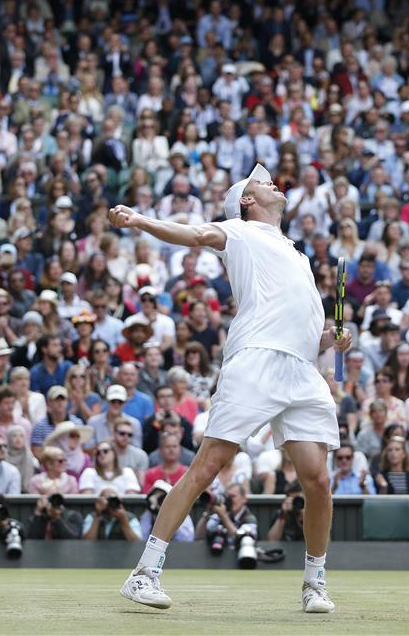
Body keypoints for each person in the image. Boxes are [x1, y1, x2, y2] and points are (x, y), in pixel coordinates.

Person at [110, 164, 351, 612]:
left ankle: (314, 584)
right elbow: (197, 235)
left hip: (302, 370)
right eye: (262, 182)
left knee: (317, 480)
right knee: (207, 466)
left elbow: (309, 336)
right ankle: (143, 574)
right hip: (255, 358)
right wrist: (140, 220)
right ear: (246, 200)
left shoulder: (297, 255)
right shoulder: (239, 233)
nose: (273, 182)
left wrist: (332, 343)